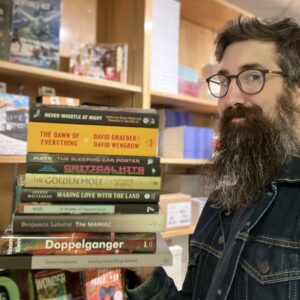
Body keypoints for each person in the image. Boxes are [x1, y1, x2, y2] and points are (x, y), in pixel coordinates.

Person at [124, 16, 300, 300]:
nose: (231, 99)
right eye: (224, 81)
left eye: (252, 77)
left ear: (295, 91)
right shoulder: (223, 198)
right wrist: (144, 263)